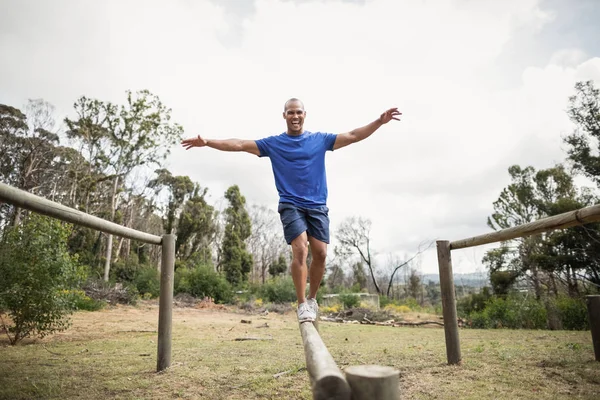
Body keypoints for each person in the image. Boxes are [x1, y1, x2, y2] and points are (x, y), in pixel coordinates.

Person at [181, 98, 401, 323]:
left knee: (321, 254)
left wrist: (379, 122)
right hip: (290, 203)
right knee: (300, 249)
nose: (295, 117)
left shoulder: (320, 140)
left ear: (305, 114)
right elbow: (239, 144)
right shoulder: (274, 144)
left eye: (298, 112)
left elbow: (353, 136)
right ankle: (302, 304)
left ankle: (313, 299)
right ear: (284, 116)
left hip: (317, 206)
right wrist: (207, 142)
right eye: (290, 113)